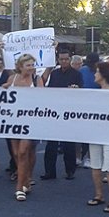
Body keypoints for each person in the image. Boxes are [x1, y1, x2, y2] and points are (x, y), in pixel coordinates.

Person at [3, 53, 43, 201]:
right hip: (13, 120)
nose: (31, 68)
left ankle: (19, 187)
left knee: (23, 151)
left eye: (33, 65)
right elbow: (4, 97)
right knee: (16, 153)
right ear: (20, 66)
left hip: (30, 120)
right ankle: (26, 180)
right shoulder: (12, 79)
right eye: (28, 65)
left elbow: (44, 97)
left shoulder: (37, 79)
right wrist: (4, 89)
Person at [41, 48, 83, 181]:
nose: (64, 61)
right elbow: (49, 90)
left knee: (68, 144)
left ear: (70, 59)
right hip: (54, 112)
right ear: (58, 60)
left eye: (66, 59)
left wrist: (76, 90)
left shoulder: (76, 74)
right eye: (61, 59)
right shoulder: (54, 73)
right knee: (51, 145)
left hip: (69, 112)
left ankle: (70, 171)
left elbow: (82, 91)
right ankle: (49, 172)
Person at [87, 62, 109, 213]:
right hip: (95, 133)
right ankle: (99, 194)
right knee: (95, 164)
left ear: (103, 75)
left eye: (97, 72)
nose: (94, 75)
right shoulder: (94, 94)